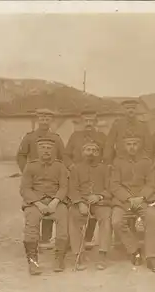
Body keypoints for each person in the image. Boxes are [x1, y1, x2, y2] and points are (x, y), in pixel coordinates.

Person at [110, 133, 155, 272]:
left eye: (135, 144)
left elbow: (152, 184)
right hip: (124, 200)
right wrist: (128, 198)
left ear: (139, 145)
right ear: (124, 146)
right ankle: (134, 250)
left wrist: (141, 197)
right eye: (128, 144)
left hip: (143, 200)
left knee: (151, 218)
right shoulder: (118, 162)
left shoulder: (147, 162)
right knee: (116, 221)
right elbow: (114, 185)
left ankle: (152, 257)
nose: (132, 147)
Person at [16, 108, 67, 250]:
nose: (44, 121)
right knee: (34, 205)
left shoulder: (56, 138)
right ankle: (33, 238)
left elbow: (63, 156)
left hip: (52, 176)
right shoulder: (29, 137)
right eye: (42, 118)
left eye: (47, 119)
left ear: (51, 121)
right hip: (34, 176)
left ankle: (45, 238)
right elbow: (21, 156)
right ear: (37, 120)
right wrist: (26, 171)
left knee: (51, 201)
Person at [19, 137, 70, 275]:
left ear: (53, 150)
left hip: (56, 202)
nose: (46, 150)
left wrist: (55, 201)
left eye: (49, 148)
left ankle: (59, 258)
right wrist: (38, 203)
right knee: (31, 226)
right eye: (43, 147)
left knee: (63, 221)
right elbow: (25, 189)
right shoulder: (30, 166)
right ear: (37, 150)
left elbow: (64, 187)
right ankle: (33, 262)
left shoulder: (60, 166)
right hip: (35, 203)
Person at [64, 110, 107, 248]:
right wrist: (72, 167)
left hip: (96, 174)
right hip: (78, 173)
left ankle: (88, 238)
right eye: (86, 121)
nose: (89, 124)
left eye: (91, 121)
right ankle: (73, 240)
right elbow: (66, 155)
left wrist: (103, 169)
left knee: (94, 202)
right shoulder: (75, 136)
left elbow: (107, 155)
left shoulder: (101, 136)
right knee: (76, 208)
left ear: (95, 122)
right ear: (82, 122)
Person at [68, 140, 112, 271]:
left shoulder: (105, 169)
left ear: (98, 153)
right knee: (73, 217)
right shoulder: (75, 168)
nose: (91, 153)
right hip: (81, 202)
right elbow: (72, 189)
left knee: (106, 218)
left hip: (100, 202)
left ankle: (102, 254)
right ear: (82, 153)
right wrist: (80, 203)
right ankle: (79, 255)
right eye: (88, 150)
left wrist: (99, 196)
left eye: (94, 150)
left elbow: (110, 188)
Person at [103, 99, 152, 164]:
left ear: (136, 110)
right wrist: (108, 161)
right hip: (121, 161)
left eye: (133, 108)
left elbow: (149, 146)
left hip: (139, 161)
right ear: (124, 110)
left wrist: (144, 160)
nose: (131, 110)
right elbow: (109, 144)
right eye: (128, 108)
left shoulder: (143, 126)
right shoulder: (117, 125)